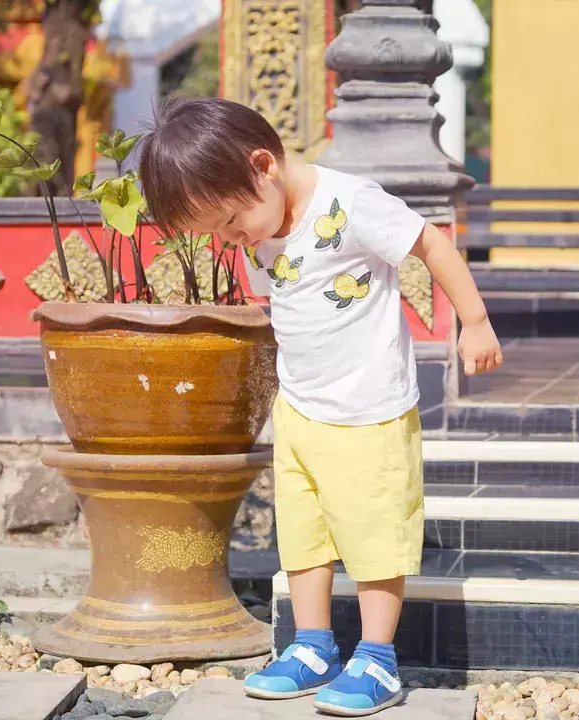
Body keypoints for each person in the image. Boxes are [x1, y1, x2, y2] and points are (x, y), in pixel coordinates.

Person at [138, 96, 503, 717]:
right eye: (217, 232)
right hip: (300, 408)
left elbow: (432, 245)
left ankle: (378, 658)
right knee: (304, 536)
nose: (232, 238)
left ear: (263, 166)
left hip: (368, 410)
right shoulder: (260, 226)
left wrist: (475, 321)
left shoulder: (352, 203)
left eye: (231, 221)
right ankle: (312, 648)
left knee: (375, 536)